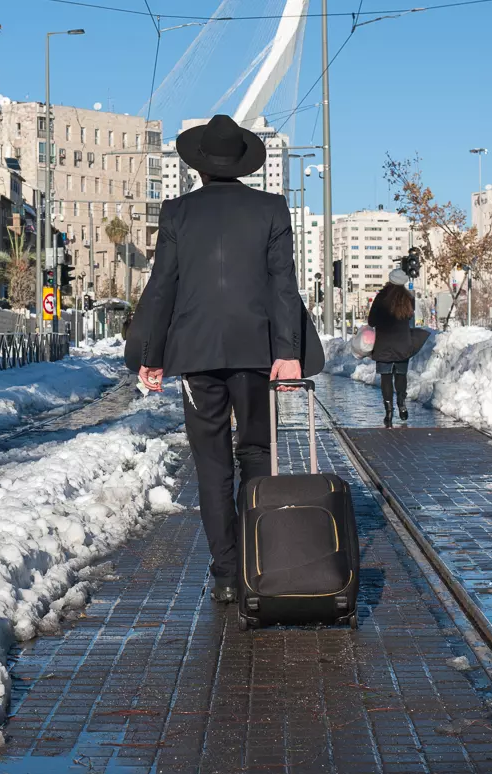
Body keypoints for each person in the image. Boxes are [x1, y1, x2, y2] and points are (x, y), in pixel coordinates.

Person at [130, 115, 306, 604]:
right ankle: (258, 564)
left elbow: (162, 286)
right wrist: (288, 354)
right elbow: (283, 287)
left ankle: (226, 575)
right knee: (256, 454)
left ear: (199, 166)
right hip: (256, 352)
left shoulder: (176, 212)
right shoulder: (272, 209)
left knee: (211, 464)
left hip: (197, 354)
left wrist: (153, 354)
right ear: (244, 165)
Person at [367, 269, 430, 428]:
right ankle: (401, 403)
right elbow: (411, 320)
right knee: (401, 376)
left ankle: (388, 411)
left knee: (386, 378)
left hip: (384, 345)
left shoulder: (381, 298)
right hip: (403, 343)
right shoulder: (409, 298)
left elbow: (372, 321)